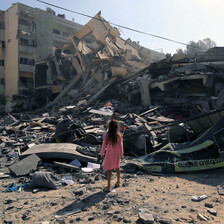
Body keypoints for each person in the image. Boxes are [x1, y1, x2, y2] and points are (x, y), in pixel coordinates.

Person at [101, 119, 124, 192]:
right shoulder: (119, 134)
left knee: (109, 169)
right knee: (117, 167)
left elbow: (104, 144)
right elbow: (121, 145)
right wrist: (122, 154)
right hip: (117, 153)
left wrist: (102, 153)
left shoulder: (107, 134)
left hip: (109, 153)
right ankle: (118, 182)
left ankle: (108, 186)